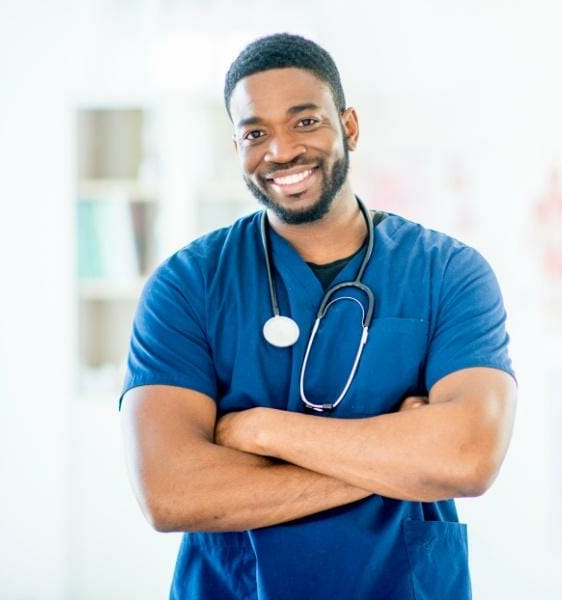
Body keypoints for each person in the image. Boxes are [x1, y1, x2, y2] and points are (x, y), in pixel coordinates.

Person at [119, 33, 517, 600]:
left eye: (305, 122)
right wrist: (397, 459)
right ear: (237, 147)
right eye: (256, 133)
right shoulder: (188, 285)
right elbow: (169, 493)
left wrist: (259, 430)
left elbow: (468, 457)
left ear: (349, 127)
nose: (280, 150)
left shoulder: (447, 273)